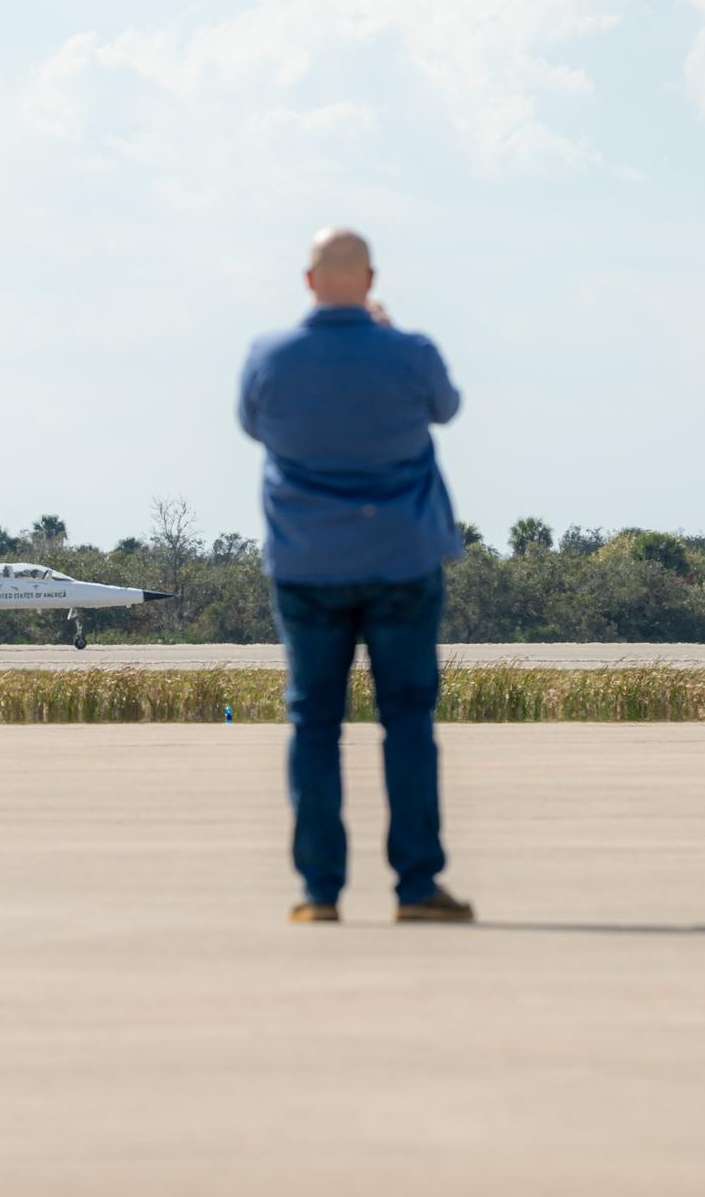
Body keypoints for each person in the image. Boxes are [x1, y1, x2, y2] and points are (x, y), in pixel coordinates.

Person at [238, 228, 472, 925]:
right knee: (407, 720)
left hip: (306, 563)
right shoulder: (411, 353)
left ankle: (319, 892)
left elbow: (253, 425)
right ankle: (417, 885)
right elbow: (447, 407)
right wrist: (390, 335)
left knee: (313, 722)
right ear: (369, 280)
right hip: (402, 557)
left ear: (309, 281)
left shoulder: (269, 356)